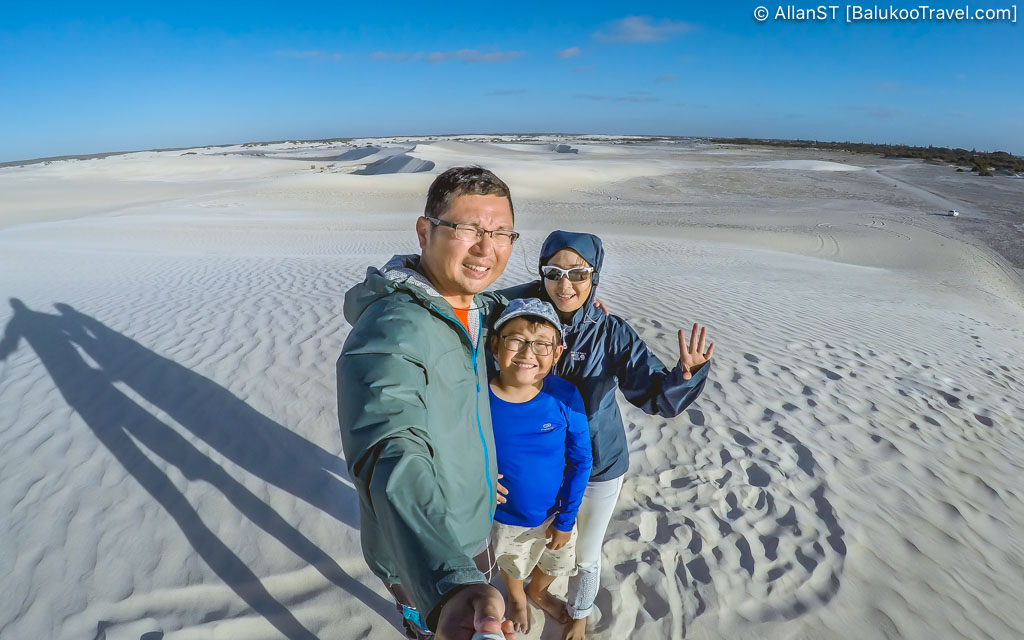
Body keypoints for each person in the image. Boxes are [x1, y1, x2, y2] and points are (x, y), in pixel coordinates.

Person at [499, 230, 714, 640]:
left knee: (584, 552)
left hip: (598, 462)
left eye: (579, 274)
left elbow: (655, 397)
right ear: (540, 275)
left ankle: (578, 615)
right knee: (530, 539)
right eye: (553, 273)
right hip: (534, 463)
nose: (566, 285)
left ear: (595, 276)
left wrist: (684, 376)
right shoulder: (520, 321)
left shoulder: (610, 332)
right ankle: (533, 592)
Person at [337, 166, 519, 640]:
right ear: (424, 232)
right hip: (427, 554)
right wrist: (447, 581)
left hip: (473, 520)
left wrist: (565, 299)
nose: (486, 248)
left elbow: (503, 300)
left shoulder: (471, 308)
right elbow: (388, 448)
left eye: (501, 233)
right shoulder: (392, 330)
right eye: (467, 230)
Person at [487, 298, 592, 634]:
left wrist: (566, 518)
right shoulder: (476, 395)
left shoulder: (564, 396)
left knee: (556, 562)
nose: (527, 353)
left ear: (557, 353)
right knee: (512, 565)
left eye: (542, 344)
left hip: (554, 514)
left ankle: (538, 590)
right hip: (503, 517)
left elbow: (581, 460)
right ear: (495, 344)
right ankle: (518, 597)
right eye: (516, 340)